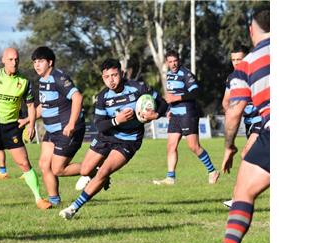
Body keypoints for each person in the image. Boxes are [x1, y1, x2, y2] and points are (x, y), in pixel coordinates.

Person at [187, 8, 270, 243]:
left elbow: (234, 112)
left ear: (251, 30)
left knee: (242, 192)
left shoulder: (249, 63)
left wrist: (229, 146)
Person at [59, 58, 167, 219]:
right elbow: (99, 125)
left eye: (114, 75)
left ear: (121, 73)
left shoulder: (139, 88)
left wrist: (155, 114)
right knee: (85, 170)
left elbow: (163, 103)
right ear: (103, 78)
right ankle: (99, 176)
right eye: (107, 76)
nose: (111, 80)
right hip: (106, 136)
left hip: (129, 140)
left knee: (103, 172)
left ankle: (73, 208)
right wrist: (117, 120)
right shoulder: (103, 97)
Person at [0, 47, 52, 213]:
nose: (14, 62)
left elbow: (30, 105)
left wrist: (30, 125)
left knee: (24, 163)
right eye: (10, 59)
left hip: (11, 127)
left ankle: (38, 198)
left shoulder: (24, 81)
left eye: (16, 59)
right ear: (3, 60)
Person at [152, 50, 219, 186]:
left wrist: (176, 98)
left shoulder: (186, 74)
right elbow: (170, 95)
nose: (173, 64)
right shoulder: (169, 75)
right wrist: (169, 110)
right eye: (170, 61)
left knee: (193, 146)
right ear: (167, 63)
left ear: (179, 60)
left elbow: (195, 92)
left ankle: (212, 171)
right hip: (175, 115)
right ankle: (170, 177)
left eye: (175, 61)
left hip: (188, 113)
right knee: (171, 146)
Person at [31, 46, 86, 206]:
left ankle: (95, 169)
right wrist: (28, 120)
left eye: (40, 61)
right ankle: (54, 200)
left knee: (58, 169)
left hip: (66, 130)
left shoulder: (58, 78)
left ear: (50, 62)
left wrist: (71, 124)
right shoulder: (42, 81)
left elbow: (77, 97)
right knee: (44, 164)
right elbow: (43, 106)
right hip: (51, 130)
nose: (37, 65)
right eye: (35, 62)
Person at [221, 44, 262, 208]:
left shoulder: (258, 74)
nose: (236, 63)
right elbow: (226, 100)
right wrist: (230, 110)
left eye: (240, 59)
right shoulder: (232, 78)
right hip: (249, 122)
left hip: (263, 120)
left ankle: (238, 199)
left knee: (246, 154)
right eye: (233, 60)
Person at [0, 101, 30, 180]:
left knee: (17, 146)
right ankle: (2, 172)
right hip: (5, 120)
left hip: (17, 118)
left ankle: (26, 171)